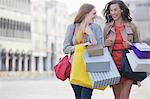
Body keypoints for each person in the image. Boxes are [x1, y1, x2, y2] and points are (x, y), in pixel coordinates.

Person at [63, 3, 103, 99]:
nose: (95, 16)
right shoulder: (71, 27)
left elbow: (101, 48)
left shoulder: (96, 28)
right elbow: (65, 48)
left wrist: (91, 35)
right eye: (94, 13)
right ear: (86, 14)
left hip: (90, 68)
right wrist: (80, 47)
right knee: (78, 97)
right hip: (75, 67)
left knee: (86, 97)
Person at [103, 0, 140, 99]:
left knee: (124, 96)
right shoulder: (107, 28)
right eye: (111, 10)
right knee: (117, 97)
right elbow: (101, 49)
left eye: (115, 10)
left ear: (122, 10)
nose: (113, 12)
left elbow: (139, 47)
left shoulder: (132, 26)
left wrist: (131, 46)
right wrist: (104, 44)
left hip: (128, 65)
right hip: (113, 66)